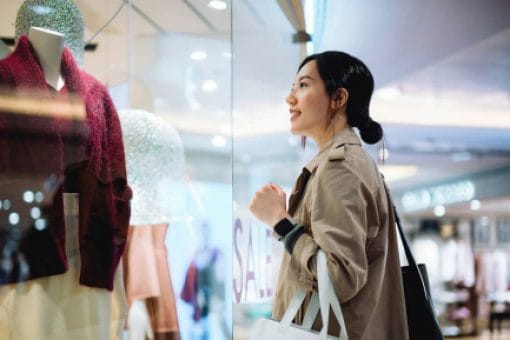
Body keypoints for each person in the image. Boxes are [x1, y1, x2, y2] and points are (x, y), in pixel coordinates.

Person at [249, 51, 409, 339]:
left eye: (303, 85)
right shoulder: (347, 163)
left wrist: (279, 221)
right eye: (292, 87)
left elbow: (340, 278)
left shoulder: (339, 169)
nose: (290, 98)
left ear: (338, 98)